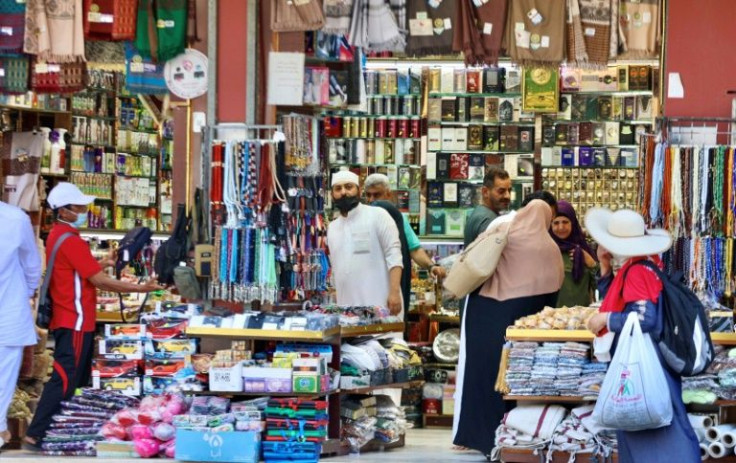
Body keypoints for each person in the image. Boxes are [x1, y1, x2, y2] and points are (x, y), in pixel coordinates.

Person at [24, 183, 164, 449]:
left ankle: (58, 432)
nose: (84, 210)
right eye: (78, 207)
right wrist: (141, 287)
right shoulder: (72, 241)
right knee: (66, 377)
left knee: (74, 377)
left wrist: (103, 262)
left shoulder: (59, 235)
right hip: (75, 318)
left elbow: (77, 271)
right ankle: (36, 433)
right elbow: (101, 282)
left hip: (70, 318)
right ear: (64, 211)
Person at [585, 208, 700, 463]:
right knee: (660, 417)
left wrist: (606, 319)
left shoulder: (636, 271)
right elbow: (623, 300)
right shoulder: (648, 264)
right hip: (653, 355)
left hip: (645, 358)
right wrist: (605, 268)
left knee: (648, 420)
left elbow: (644, 318)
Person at [453, 200, 564, 460]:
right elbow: (553, 289)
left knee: (482, 376)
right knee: (513, 381)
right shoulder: (549, 247)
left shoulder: (504, 229)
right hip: (524, 324)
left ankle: (478, 436)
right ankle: (512, 438)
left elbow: (471, 254)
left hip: (486, 312)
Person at [326, 171, 404, 315]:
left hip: (382, 306)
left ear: (359, 190)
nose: (343, 192)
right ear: (332, 195)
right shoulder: (332, 228)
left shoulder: (378, 215)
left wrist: (394, 293)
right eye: (338, 189)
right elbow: (336, 268)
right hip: (348, 313)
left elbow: (394, 256)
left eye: (349, 187)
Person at [0, 202, 41, 449]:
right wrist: (23, 294)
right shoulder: (15, 219)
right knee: (3, 377)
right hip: (9, 314)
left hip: (10, 314)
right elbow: (32, 266)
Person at [364, 173, 447, 279]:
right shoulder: (361, 218)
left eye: (376, 195)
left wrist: (431, 266)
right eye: (368, 195)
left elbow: (415, 249)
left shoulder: (399, 219)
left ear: (389, 195)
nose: (371, 200)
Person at [550, 200, 598, 307]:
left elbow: (600, 286)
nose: (561, 227)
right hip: (552, 318)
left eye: (565, 222)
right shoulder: (546, 250)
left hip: (581, 317)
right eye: (556, 223)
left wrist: (591, 263)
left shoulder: (584, 250)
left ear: (573, 223)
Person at [464, 166, 511, 246]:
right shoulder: (488, 220)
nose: (508, 196)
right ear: (485, 192)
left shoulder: (480, 212)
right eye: (501, 191)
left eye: (509, 190)